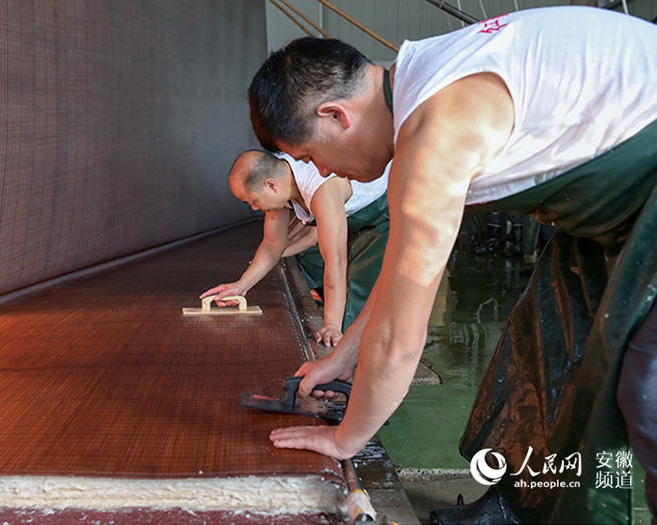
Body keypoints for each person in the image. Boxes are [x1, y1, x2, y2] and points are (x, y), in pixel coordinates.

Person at [247, 6, 657, 524]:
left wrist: (345, 438)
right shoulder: (420, 79)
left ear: (335, 115)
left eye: (310, 156)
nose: (322, 170)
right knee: (549, 347)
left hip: (644, 194)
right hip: (617, 210)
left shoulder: (434, 132)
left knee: (647, 390)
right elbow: (399, 275)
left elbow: (401, 339)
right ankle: (521, 509)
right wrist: (343, 356)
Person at [201, 150, 389, 346]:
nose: (254, 208)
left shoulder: (322, 190)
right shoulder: (281, 181)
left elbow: (336, 260)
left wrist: (331, 325)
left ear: (271, 185)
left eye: (254, 201)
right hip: (350, 215)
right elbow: (272, 244)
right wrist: (241, 286)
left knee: (356, 297)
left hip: (382, 212)